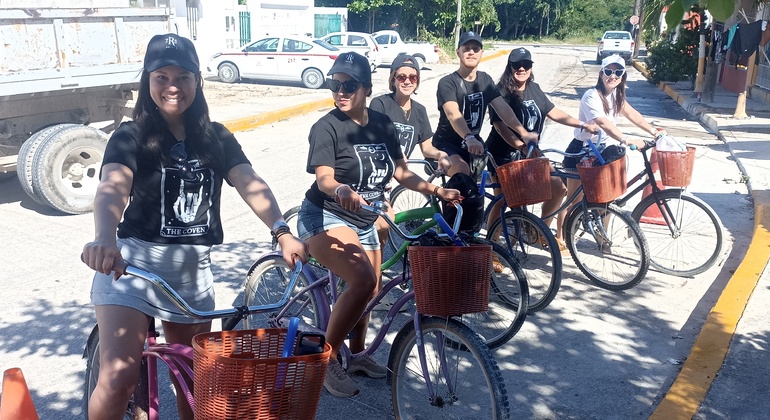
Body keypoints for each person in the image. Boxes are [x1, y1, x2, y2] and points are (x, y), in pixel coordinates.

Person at [81, 34, 308, 420]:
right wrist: (104, 238)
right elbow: (113, 187)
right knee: (119, 377)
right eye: (161, 76)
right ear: (147, 80)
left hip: (191, 273)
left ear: (198, 80)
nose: (172, 86)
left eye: (183, 76)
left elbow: (248, 180)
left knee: (199, 385)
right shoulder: (130, 135)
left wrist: (282, 230)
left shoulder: (215, 136)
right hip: (131, 267)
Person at [296, 51, 461, 398]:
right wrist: (341, 187)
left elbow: (400, 171)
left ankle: (355, 356)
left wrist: (437, 190)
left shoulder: (381, 125)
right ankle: (323, 360)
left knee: (370, 291)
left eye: (349, 85)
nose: (340, 91)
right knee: (362, 279)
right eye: (334, 84)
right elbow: (325, 178)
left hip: (365, 218)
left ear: (367, 89)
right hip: (324, 214)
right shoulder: (326, 126)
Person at [485, 47, 598, 253]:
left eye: (526, 65)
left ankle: (540, 231)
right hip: (502, 154)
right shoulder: (500, 91)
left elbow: (554, 112)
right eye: (516, 65)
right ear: (509, 67)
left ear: (530, 67)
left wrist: (582, 125)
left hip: (530, 152)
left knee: (558, 188)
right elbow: (500, 126)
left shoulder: (534, 88)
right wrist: (520, 145)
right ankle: (491, 247)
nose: (521, 69)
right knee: (504, 199)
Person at [557, 54, 666, 243]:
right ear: (601, 74)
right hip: (581, 151)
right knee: (574, 200)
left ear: (623, 75)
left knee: (606, 198)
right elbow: (603, 123)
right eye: (608, 71)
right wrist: (626, 139)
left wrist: (653, 131)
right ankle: (560, 239)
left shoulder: (616, 94)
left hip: (603, 151)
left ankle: (602, 239)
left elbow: (632, 113)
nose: (612, 76)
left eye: (618, 72)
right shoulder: (591, 95)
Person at [432, 31, 539, 178]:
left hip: (474, 144)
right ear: (458, 53)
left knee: (483, 187)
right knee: (463, 173)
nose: (471, 52)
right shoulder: (447, 83)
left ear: (481, 53)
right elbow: (453, 114)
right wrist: (469, 137)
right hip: (447, 145)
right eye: (466, 48)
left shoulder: (485, 80)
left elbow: (502, 108)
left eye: (475, 49)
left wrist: (523, 133)